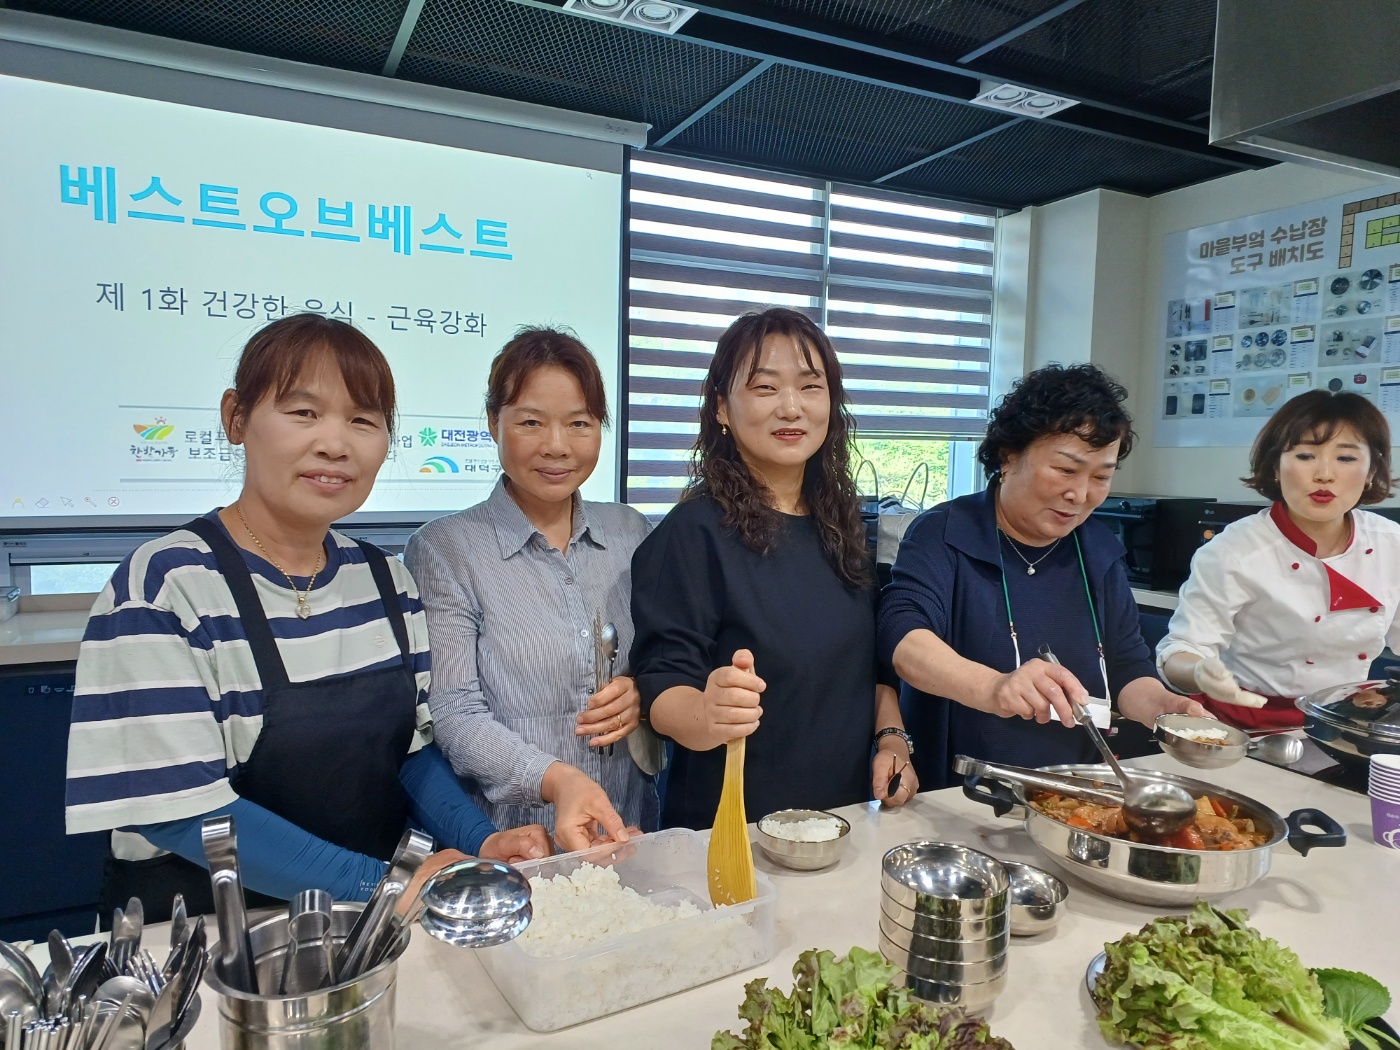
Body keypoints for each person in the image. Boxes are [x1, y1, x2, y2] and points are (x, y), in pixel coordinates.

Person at [65, 314, 550, 922]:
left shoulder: (386, 580)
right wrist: (384, 884)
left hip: (363, 927)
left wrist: (482, 840)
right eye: (303, 413)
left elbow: (407, 756)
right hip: (207, 935)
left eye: (363, 421)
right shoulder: (164, 588)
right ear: (236, 418)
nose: (335, 444)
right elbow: (181, 812)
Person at [630, 307, 918, 831]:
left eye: (810, 387)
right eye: (765, 388)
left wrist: (892, 739)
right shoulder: (693, 533)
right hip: (733, 833)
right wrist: (706, 714)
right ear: (722, 407)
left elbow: (867, 670)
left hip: (842, 823)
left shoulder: (844, 526)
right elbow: (662, 683)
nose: (791, 407)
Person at [879, 363, 1207, 789]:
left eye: (1101, 476)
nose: (1080, 494)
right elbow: (903, 638)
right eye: (1066, 470)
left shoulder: (1099, 550)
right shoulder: (946, 533)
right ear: (1009, 455)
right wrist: (996, 687)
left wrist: (1163, 707)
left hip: (1072, 788)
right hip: (960, 790)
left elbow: (1127, 668)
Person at [405, 327, 655, 843]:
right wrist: (553, 779)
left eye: (579, 423)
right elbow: (453, 712)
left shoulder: (631, 532)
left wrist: (643, 693)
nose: (556, 446)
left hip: (628, 831)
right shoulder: (445, 549)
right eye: (531, 423)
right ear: (493, 422)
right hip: (519, 845)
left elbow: (666, 655)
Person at [1158, 390, 1400, 729]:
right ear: (1275, 467)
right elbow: (1181, 649)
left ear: (1372, 469)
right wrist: (1199, 672)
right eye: (1305, 455)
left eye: (1346, 458)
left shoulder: (1391, 543)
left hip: (1343, 722)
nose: (1324, 474)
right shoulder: (1234, 550)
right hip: (1241, 725)